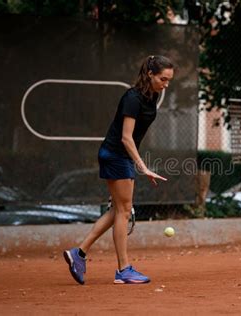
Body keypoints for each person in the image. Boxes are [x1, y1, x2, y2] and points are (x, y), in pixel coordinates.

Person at [63, 55, 174, 285]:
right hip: (116, 155)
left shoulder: (152, 95)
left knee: (118, 211)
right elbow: (126, 137)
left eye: (169, 80)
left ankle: (79, 253)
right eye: (163, 79)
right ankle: (123, 270)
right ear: (150, 74)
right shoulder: (132, 98)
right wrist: (143, 167)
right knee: (123, 211)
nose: (166, 84)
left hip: (119, 157)